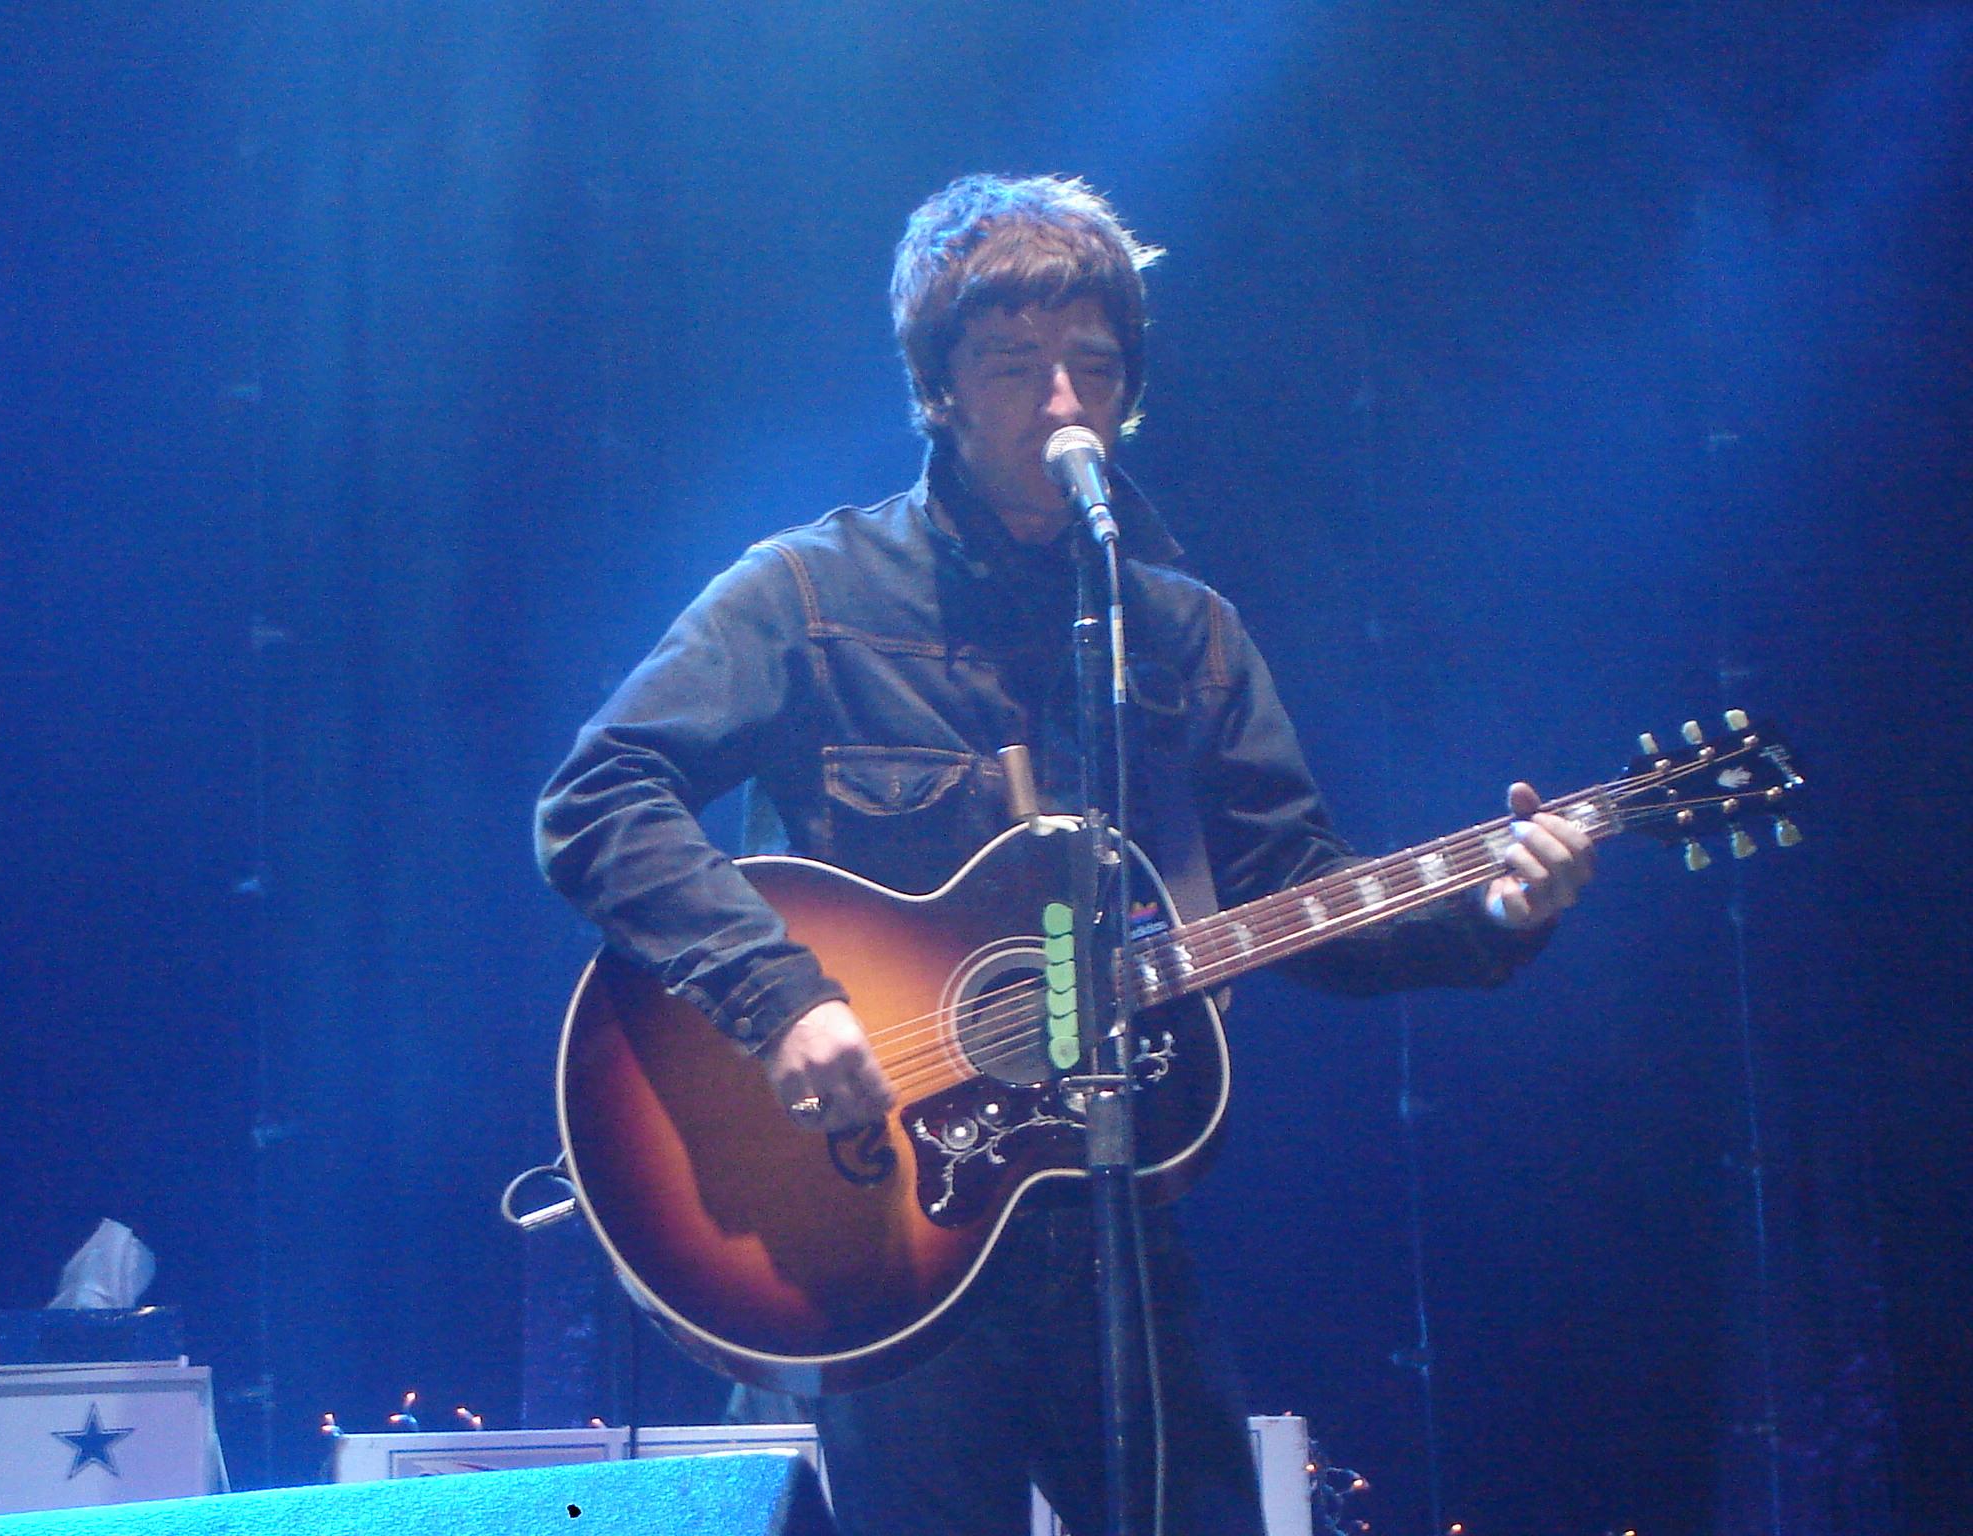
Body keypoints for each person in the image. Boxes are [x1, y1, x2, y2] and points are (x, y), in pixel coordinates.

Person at [536, 173, 1593, 1536]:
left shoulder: (1185, 636)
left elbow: (1293, 894)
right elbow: (598, 794)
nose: (1060, 403)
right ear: (937, 388)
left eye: (1092, 367)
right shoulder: (807, 594)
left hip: (1107, 1225)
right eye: (1014, 365)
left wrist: (1497, 914)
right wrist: (781, 998)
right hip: (887, 1230)